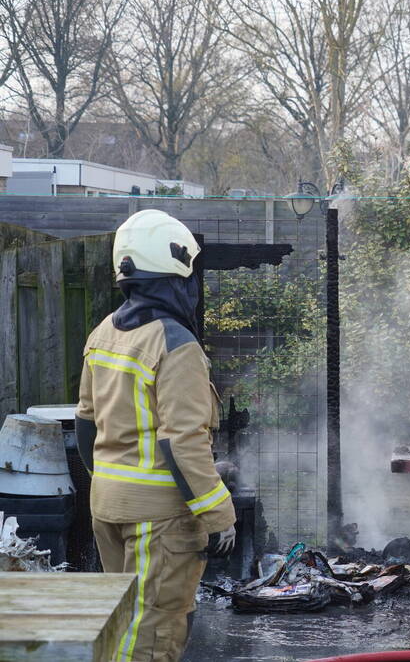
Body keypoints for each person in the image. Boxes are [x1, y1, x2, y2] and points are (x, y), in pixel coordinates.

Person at [75, 210, 236, 662]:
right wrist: (219, 513)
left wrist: (114, 483)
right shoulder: (176, 344)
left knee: (121, 624)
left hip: (106, 508)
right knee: (151, 634)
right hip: (159, 521)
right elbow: (180, 442)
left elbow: (86, 422)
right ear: (175, 275)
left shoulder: (103, 333)